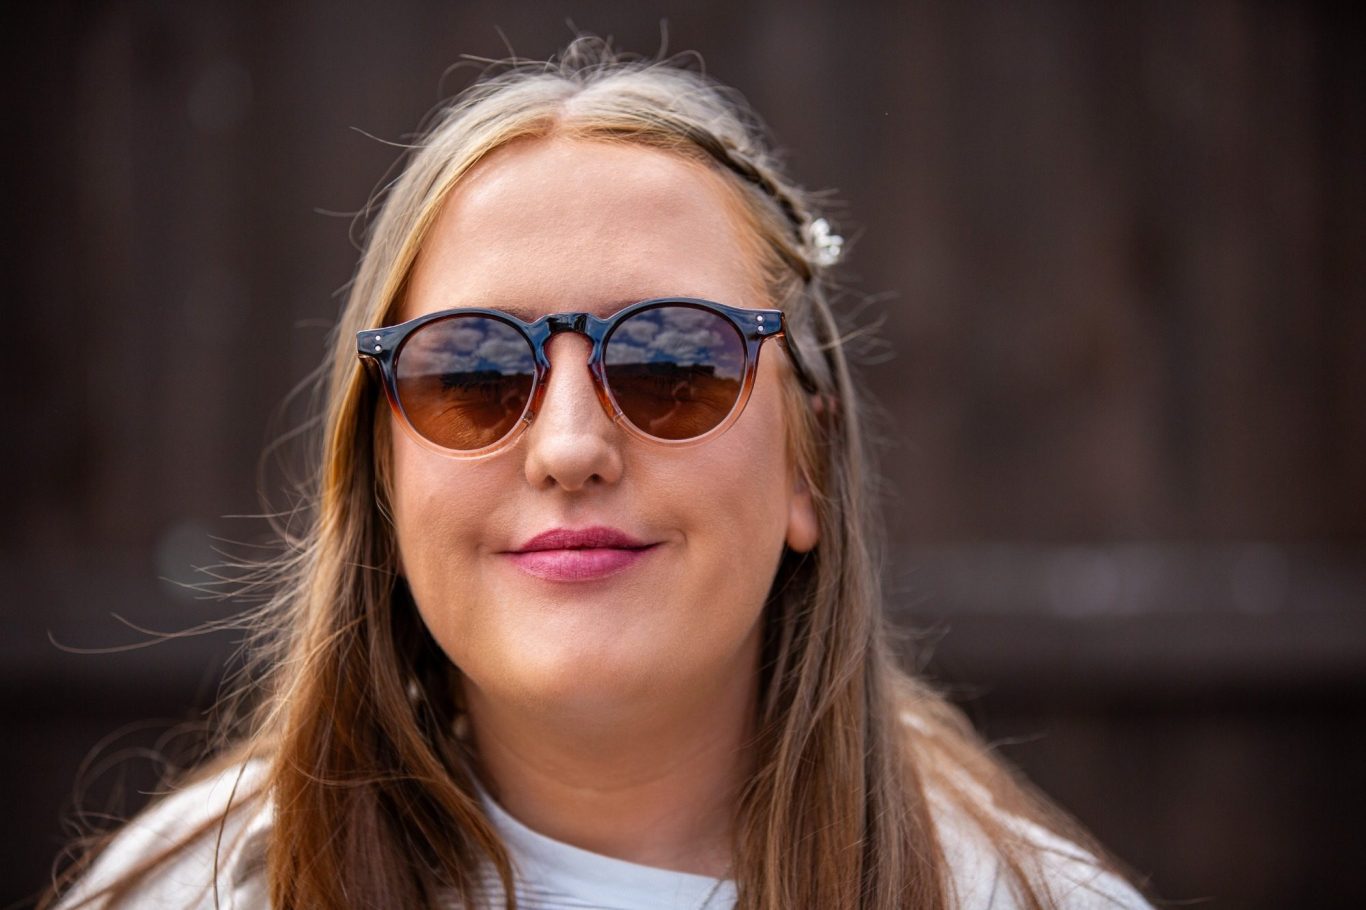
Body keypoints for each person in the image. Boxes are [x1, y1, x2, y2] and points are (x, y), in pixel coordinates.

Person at [48, 37, 1155, 910]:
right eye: (472, 374)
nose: (570, 446)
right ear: (383, 483)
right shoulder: (187, 894)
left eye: (673, 360)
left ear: (805, 463)